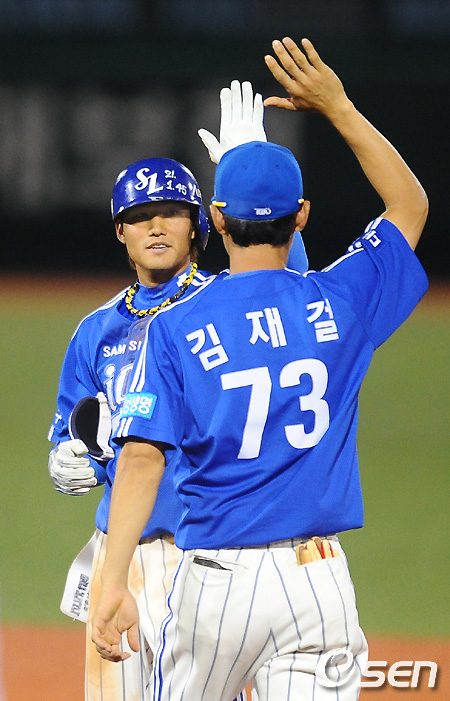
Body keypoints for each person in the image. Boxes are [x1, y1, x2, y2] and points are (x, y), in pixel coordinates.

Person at [90, 36, 428, 700]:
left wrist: (114, 579)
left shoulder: (176, 326)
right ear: (302, 216)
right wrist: (337, 106)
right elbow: (409, 205)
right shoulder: (342, 302)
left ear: (215, 220)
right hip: (317, 583)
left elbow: (141, 459)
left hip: (217, 584)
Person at [48, 81, 309, 700]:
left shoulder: (223, 303)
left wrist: (252, 178)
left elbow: (291, 294)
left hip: (206, 552)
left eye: (171, 212)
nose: (156, 226)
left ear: (200, 225)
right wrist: (66, 458)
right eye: (140, 216)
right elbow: (73, 426)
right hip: (119, 552)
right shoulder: (94, 332)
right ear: (120, 232)